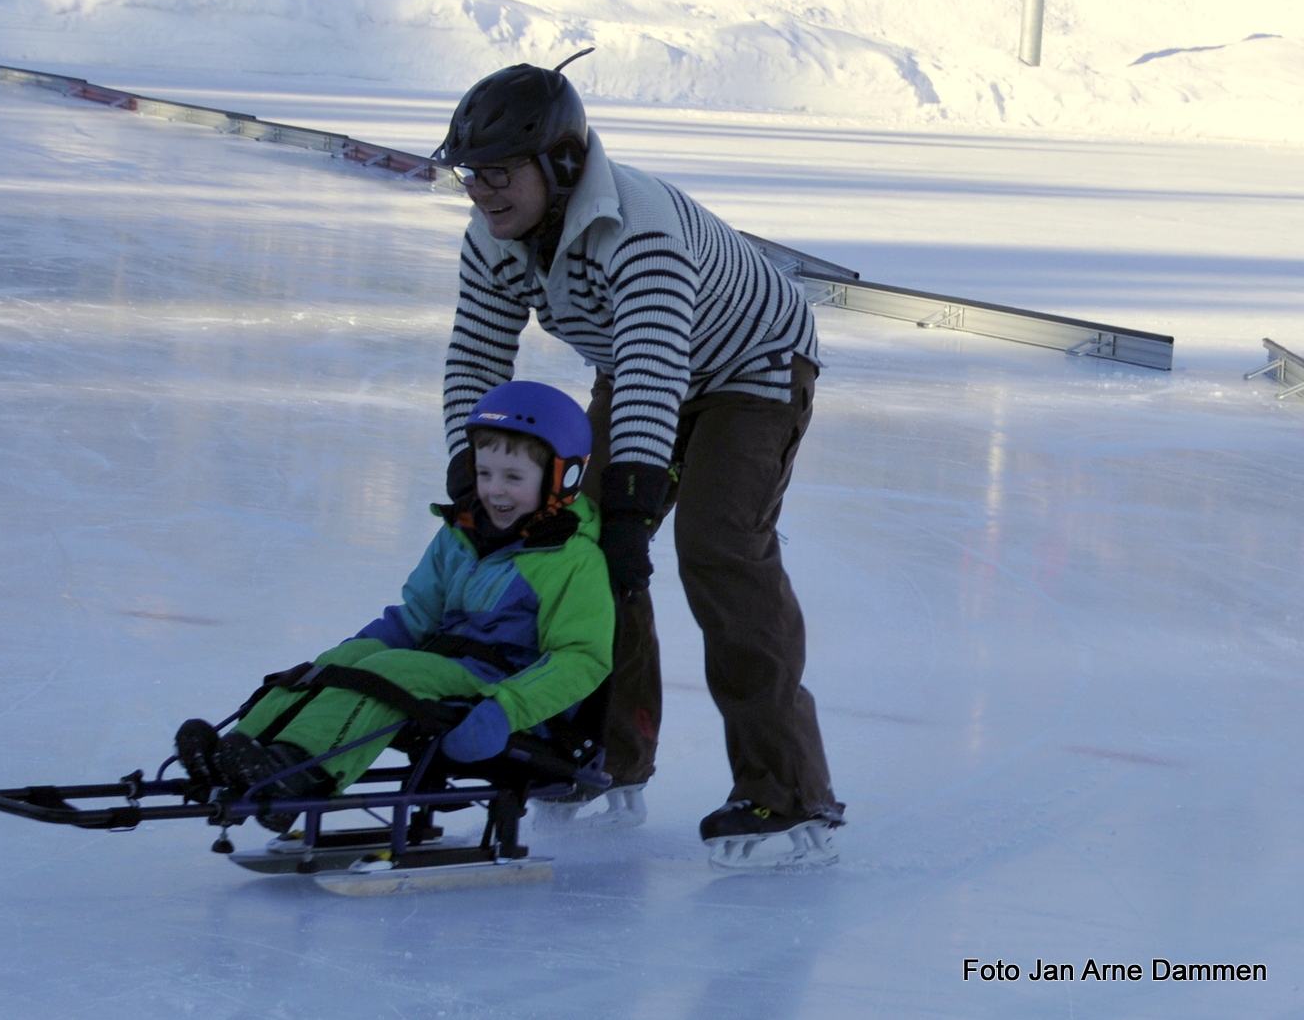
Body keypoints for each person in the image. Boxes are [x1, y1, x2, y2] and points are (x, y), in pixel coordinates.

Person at [433, 57, 845, 867]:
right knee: (577, 543)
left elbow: (656, 363)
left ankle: (789, 789)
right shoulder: (494, 234)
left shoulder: (636, 223)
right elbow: (478, 350)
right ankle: (608, 754)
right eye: (471, 174)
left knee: (720, 549)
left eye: (500, 173)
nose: (482, 191)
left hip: (754, 366)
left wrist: (632, 504)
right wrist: (466, 463)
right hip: (642, 364)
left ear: (559, 164)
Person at [174, 380, 614, 832]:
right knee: (345, 661)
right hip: (448, 667)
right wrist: (344, 657)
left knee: (395, 671)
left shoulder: (572, 560)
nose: (494, 491)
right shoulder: (462, 533)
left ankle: (302, 773)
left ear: (564, 478)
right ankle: (241, 749)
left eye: (513, 478)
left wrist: (505, 710)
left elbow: (581, 658)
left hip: (504, 693)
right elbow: (417, 617)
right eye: (484, 473)